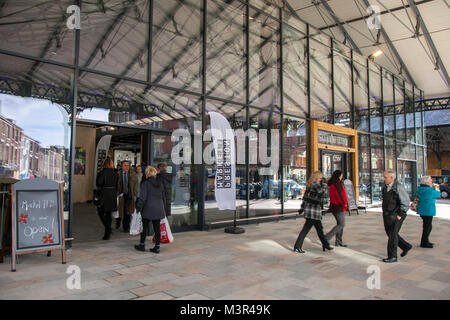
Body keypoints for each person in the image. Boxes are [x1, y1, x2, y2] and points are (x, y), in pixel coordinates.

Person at [293, 171, 333, 253]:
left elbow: (305, 198)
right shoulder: (315, 185)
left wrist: (302, 208)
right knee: (306, 229)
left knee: (319, 229)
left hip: (310, 211)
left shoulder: (309, 185)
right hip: (313, 211)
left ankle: (325, 244)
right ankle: (297, 246)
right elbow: (322, 193)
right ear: (317, 178)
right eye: (321, 177)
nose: (321, 179)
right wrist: (325, 185)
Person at [381, 170, 412, 263]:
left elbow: (406, 202)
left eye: (385, 177)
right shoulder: (385, 186)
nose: (384, 179)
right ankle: (406, 246)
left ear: (392, 178)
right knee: (389, 233)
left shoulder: (399, 187)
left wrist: (400, 214)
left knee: (392, 236)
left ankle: (392, 256)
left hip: (396, 215)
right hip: (387, 215)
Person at [135, 166, 166, 253]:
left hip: (147, 208)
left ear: (147, 174)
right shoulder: (160, 183)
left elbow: (142, 198)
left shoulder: (145, 184)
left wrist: (138, 208)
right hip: (158, 208)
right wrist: (164, 208)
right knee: (157, 228)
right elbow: (163, 197)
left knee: (144, 227)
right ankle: (157, 247)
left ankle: (142, 245)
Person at [414, 175, 441, 248]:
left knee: (426, 226)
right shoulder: (430, 190)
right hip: (428, 210)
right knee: (427, 227)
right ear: (427, 183)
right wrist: (437, 188)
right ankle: (424, 243)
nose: (432, 182)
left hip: (421, 210)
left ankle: (425, 241)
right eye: (431, 181)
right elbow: (438, 194)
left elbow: (414, 195)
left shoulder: (419, 189)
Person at [96, 158, 119, 240]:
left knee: (100, 212)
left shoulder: (102, 172)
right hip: (112, 194)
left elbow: (99, 183)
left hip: (104, 194)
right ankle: (107, 234)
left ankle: (108, 229)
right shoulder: (115, 173)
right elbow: (117, 184)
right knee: (109, 214)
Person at [325, 170, 348, 247]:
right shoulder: (337, 184)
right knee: (341, 224)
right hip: (338, 207)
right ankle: (326, 237)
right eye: (341, 175)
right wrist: (344, 204)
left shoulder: (334, 184)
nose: (342, 177)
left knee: (340, 223)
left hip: (335, 206)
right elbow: (340, 195)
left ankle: (338, 241)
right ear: (338, 176)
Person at [117, 160, 139, 233]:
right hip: (121, 195)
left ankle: (126, 227)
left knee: (128, 212)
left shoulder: (133, 174)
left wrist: (134, 193)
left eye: (128, 165)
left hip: (129, 195)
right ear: (122, 166)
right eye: (125, 165)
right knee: (121, 210)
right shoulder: (118, 174)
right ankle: (119, 221)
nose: (127, 167)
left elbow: (136, 184)